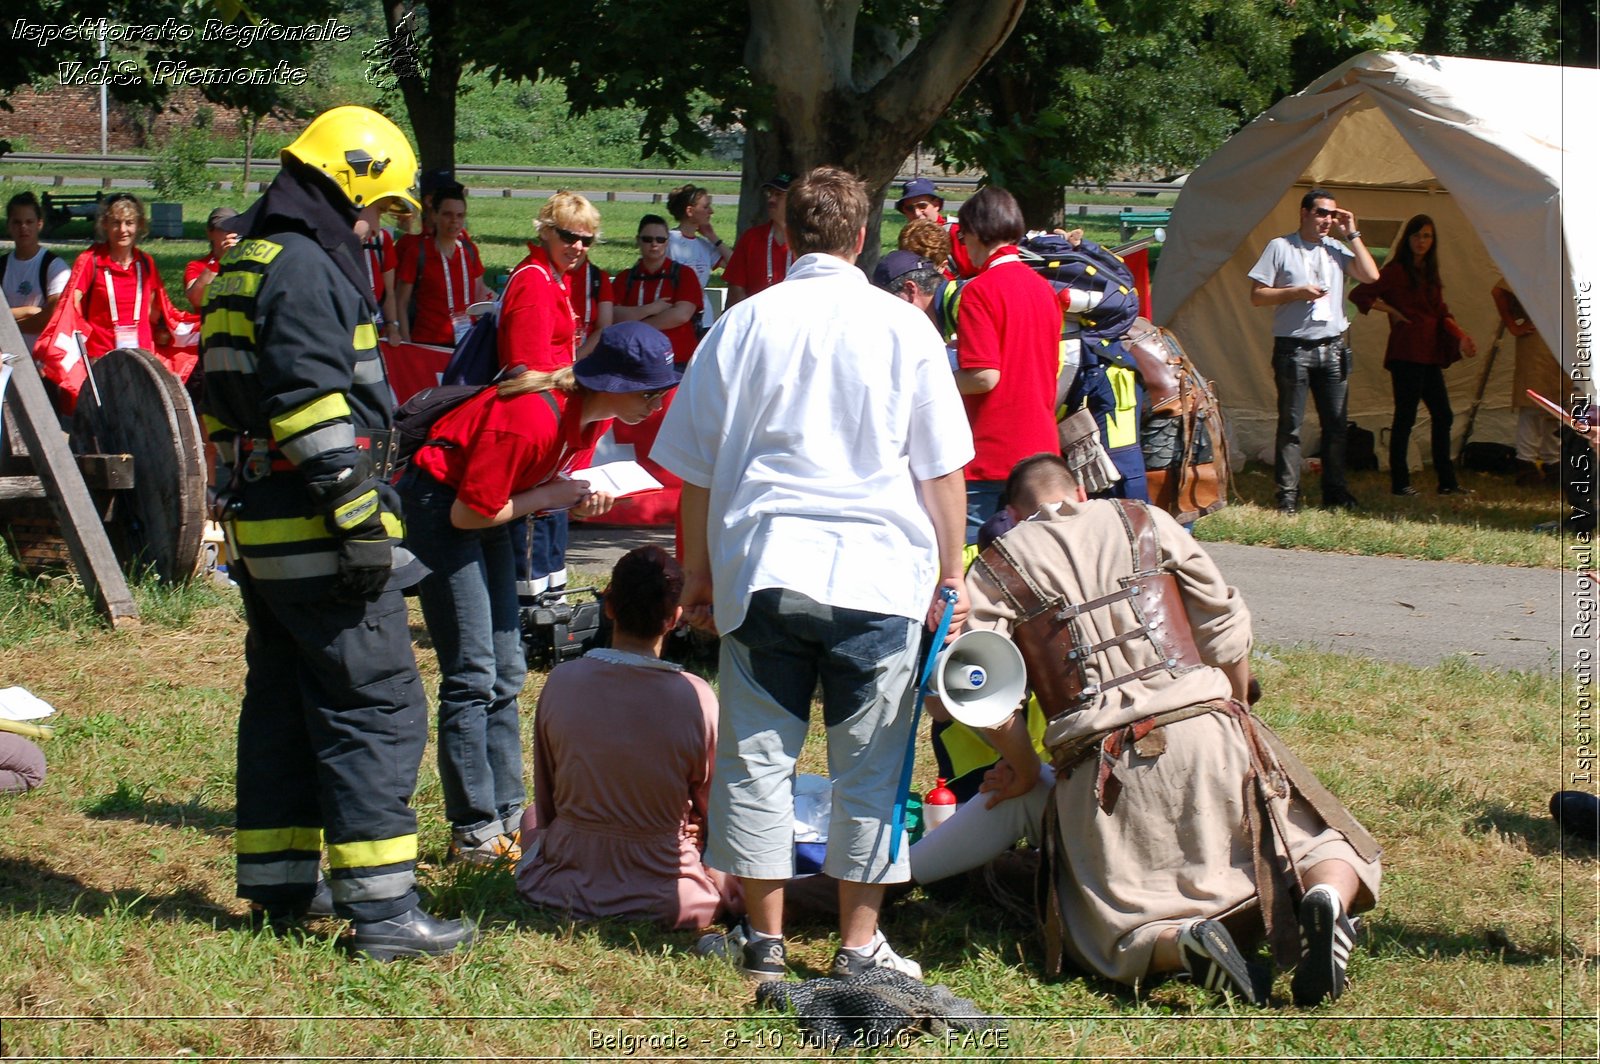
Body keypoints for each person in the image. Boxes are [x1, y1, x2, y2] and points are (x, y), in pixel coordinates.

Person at [909, 453, 1382, 1006]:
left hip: (1099, 764)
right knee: (1318, 838)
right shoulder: (1144, 520)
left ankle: (1182, 943)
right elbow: (1226, 625)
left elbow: (976, 687)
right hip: (1205, 725)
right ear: (1080, 493)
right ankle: (1324, 893)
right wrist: (1237, 709)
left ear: (1013, 514)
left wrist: (1017, 762)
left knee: (1108, 927)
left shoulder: (994, 566)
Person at [654, 165, 973, 983]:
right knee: (872, 766)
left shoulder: (744, 323)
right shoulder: (906, 328)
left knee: (759, 758)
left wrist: (696, 575)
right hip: (878, 577)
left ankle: (763, 940)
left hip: (766, 567)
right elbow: (941, 472)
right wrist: (951, 575)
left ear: (788, 234)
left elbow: (694, 469)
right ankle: (859, 943)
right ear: (862, 238)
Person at [199, 105, 473, 961]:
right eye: (375, 207)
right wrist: (363, 526)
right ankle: (387, 915)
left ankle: (281, 885)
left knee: (282, 704)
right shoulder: (309, 270)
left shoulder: (248, 259)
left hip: (264, 531)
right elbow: (313, 410)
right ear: (346, 180)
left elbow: (221, 406)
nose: (374, 225)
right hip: (321, 534)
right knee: (375, 706)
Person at [400, 322, 678, 866]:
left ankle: (509, 816)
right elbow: (466, 512)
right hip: (443, 510)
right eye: (651, 391)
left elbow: (520, 494)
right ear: (615, 384)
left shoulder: (588, 420)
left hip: (481, 512)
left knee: (507, 670)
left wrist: (569, 500)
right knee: (473, 674)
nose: (658, 402)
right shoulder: (530, 417)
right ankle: (474, 832)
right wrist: (554, 493)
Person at [516, 544, 742, 928]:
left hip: (561, 881)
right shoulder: (696, 695)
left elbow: (549, 798)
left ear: (608, 605)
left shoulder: (561, 681)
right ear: (674, 618)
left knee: (531, 816)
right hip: (671, 895)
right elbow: (716, 805)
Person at [1247, 189, 1379, 514]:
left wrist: (1353, 233)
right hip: (1294, 348)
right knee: (1290, 424)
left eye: (1332, 215)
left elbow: (1372, 275)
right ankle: (1288, 496)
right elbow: (1257, 295)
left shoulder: (1335, 248)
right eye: (1321, 213)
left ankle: (1335, 492)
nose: (1327, 221)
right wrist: (1295, 292)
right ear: (1304, 213)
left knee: (1335, 425)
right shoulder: (1281, 247)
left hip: (1332, 348)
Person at [498, 191, 602, 600]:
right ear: (545, 231)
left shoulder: (552, 278)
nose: (577, 247)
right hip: (536, 418)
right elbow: (525, 368)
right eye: (568, 236)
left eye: (586, 240)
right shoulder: (533, 281)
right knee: (533, 529)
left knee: (550, 525)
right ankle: (529, 617)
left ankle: (548, 609)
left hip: (552, 417)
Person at [952, 186, 1063, 543]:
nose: (963, 245)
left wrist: (933, 377)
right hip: (1041, 447)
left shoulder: (979, 290)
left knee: (971, 557)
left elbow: (984, 376)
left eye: (964, 235)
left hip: (992, 449)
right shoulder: (1044, 287)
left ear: (977, 232)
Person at [1350, 215, 1478, 496]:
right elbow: (1361, 294)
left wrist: (1461, 338)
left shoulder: (1430, 274)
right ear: (1407, 239)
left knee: (1442, 415)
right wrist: (1393, 311)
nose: (1421, 242)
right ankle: (1400, 482)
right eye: (1417, 236)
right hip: (1407, 352)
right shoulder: (1396, 270)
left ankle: (1447, 482)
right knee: (1405, 417)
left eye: (1427, 237)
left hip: (1429, 351)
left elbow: (1441, 313)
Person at [68, 193, 189, 360]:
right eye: (116, 223)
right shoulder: (91, 261)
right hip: (101, 358)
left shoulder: (146, 263)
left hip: (141, 358)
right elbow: (70, 306)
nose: (123, 230)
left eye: (129, 223)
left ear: (139, 225)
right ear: (105, 225)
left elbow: (153, 311)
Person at [1491, 277, 1567, 485]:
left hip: (1566, 340)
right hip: (1538, 341)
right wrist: (1513, 325)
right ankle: (1525, 462)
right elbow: (1500, 291)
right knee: (1534, 403)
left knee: (1560, 403)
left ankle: (1553, 462)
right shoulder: (1535, 260)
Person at [394, 183, 490, 346]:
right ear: (435, 216)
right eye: (448, 214)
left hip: (466, 342)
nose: (454, 221)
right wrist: (407, 343)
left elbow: (479, 293)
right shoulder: (417, 252)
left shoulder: (469, 250)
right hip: (427, 343)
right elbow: (401, 302)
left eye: (460, 215)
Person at [613, 215, 704, 366]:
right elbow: (614, 315)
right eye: (647, 239)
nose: (654, 244)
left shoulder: (684, 274)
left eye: (660, 240)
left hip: (677, 361)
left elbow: (681, 315)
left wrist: (636, 323)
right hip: (632, 360)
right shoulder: (625, 278)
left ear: (667, 242)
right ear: (638, 241)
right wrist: (651, 308)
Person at [3, 191, 70, 350]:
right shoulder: (3, 265)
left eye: (29, 222)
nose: (23, 228)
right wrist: (29, 311)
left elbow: (54, 316)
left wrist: (9, 329)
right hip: (5, 362)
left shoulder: (55, 267)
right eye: (17, 222)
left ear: (39, 224)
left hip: (42, 363)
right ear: (9, 226)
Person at [667, 184, 731, 332]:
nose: (711, 211)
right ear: (690, 211)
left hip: (704, 318)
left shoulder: (704, 245)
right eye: (706, 207)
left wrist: (713, 237)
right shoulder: (667, 240)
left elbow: (734, 264)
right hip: (676, 315)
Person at [723, 173, 793, 305]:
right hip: (756, 321)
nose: (771, 199)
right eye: (769, 194)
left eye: (778, 195)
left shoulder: (809, 241)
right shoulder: (751, 238)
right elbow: (736, 288)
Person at [894, 178, 976, 278]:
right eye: (910, 208)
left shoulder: (955, 232)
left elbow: (976, 274)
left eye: (922, 206)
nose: (917, 213)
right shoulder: (907, 237)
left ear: (936, 205)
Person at [184, 206, 240, 311]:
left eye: (235, 227)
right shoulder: (196, 266)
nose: (230, 232)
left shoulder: (246, 262)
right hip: (208, 325)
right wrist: (219, 260)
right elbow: (196, 299)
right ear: (210, 233)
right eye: (224, 228)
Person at [362, 221, 401, 347]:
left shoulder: (381, 239)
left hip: (379, 334)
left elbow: (389, 292)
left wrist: (392, 326)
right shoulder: (337, 237)